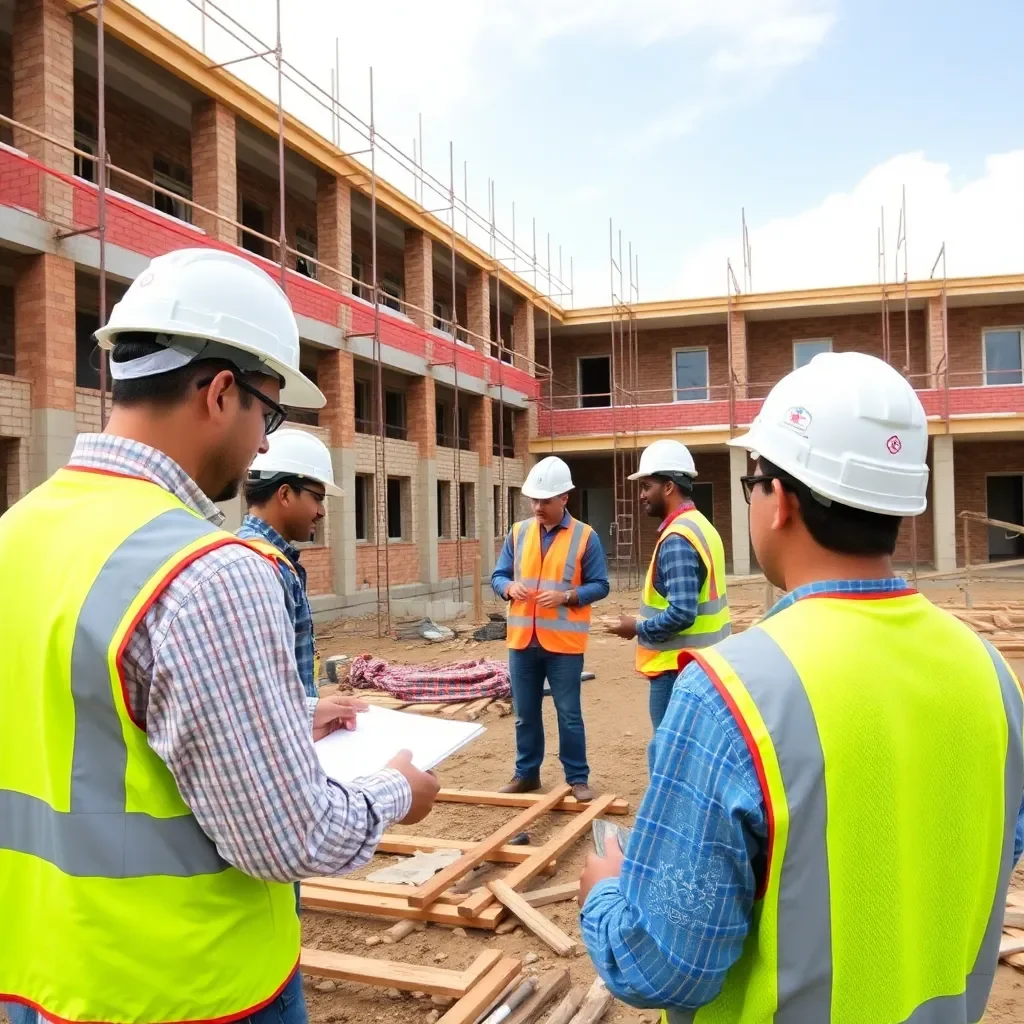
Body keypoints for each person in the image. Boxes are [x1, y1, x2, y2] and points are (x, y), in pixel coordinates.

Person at [0, 249, 440, 1024]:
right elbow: (288, 836)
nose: (267, 446)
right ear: (221, 391)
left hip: (49, 978)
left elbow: (84, 729)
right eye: (268, 415)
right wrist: (397, 791)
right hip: (192, 987)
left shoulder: (17, 533)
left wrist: (276, 722)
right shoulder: (207, 571)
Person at [578, 351, 1024, 1023]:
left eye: (752, 480)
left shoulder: (732, 696)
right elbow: (992, 846)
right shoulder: (991, 674)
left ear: (778, 499)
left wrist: (605, 895)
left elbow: (665, 966)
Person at [491, 456, 609, 802]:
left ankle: (577, 779)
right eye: (534, 500)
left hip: (564, 644)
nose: (538, 506)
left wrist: (567, 596)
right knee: (525, 714)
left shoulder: (586, 536)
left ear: (565, 498)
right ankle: (526, 774)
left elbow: (600, 585)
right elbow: (498, 576)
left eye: (545, 500)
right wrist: (508, 588)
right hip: (522, 641)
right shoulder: (519, 532)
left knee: (569, 714)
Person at [605, 439, 731, 732]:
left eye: (647, 486)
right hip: (703, 664)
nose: (641, 495)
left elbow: (682, 613)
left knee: (668, 755)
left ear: (669, 487)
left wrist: (636, 627)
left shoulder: (678, 538)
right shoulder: (702, 526)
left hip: (677, 669)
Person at [240, 427, 345, 699]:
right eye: (317, 498)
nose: (322, 512)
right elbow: (261, 687)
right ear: (285, 495)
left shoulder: (272, 559)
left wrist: (313, 704)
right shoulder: (259, 567)